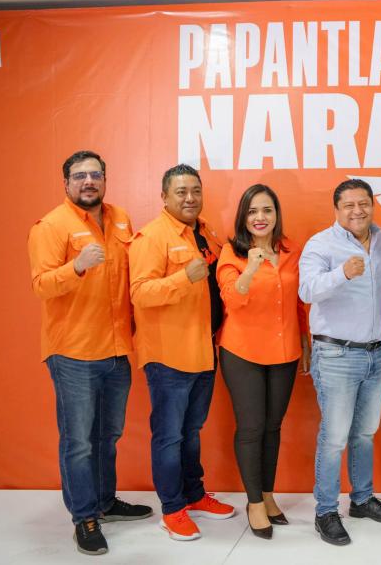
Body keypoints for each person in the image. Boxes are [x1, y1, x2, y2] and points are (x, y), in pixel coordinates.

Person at [28, 150, 152, 556]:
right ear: (66, 183)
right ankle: (84, 517)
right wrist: (77, 266)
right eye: (79, 175)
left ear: (105, 180)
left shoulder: (121, 219)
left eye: (95, 174)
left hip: (116, 349)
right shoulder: (51, 226)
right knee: (79, 441)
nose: (88, 181)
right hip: (73, 352)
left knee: (108, 435)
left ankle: (104, 501)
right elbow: (41, 285)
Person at [129, 164, 234, 541]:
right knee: (169, 435)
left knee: (191, 431)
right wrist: (181, 278)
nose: (190, 198)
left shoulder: (205, 232)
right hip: (168, 356)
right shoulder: (152, 237)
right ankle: (172, 508)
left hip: (204, 350)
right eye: (180, 192)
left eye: (195, 191)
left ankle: (194, 494)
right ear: (164, 197)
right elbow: (139, 293)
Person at [299, 179, 381, 546]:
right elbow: (307, 290)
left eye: (364, 203)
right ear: (337, 209)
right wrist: (342, 273)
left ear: (373, 205)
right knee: (335, 437)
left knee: (365, 433)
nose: (357, 211)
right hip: (336, 355)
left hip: (377, 354)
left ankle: (362, 499)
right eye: (349, 205)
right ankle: (326, 511)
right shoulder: (320, 244)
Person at [216, 184, 308, 540]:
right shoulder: (232, 252)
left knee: (273, 426)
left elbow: (299, 303)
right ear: (243, 216)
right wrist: (251, 269)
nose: (260, 217)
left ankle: (268, 494)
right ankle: (254, 501)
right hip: (243, 352)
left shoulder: (291, 250)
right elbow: (231, 299)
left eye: (267, 210)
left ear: (276, 215)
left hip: (285, 351)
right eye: (253, 211)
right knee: (252, 427)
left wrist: (305, 343)